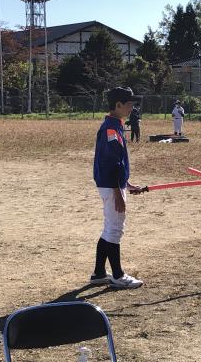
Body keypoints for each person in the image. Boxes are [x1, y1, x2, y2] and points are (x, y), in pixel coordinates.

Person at [90, 87, 144, 289]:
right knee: (115, 229)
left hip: (113, 184)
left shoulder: (116, 126)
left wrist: (126, 184)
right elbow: (110, 163)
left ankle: (99, 273)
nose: (132, 108)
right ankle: (118, 275)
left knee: (109, 229)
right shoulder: (111, 129)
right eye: (129, 104)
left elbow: (118, 163)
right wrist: (118, 192)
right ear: (118, 105)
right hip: (110, 186)